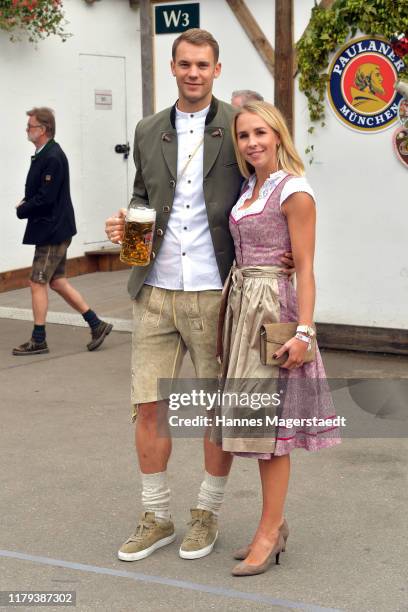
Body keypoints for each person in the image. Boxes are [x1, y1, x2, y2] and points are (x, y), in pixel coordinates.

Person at [105, 28, 295, 563]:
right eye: (185, 63)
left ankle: (206, 513)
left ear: (216, 69)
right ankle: (157, 515)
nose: (193, 72)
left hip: (217, 292)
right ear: (172, 67)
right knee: (149, 407)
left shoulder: (236, 129)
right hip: (154, 290)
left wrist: (283, 250)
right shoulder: (147, 129)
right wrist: (128, 227)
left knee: (215, 411)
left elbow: (272, 180)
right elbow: (144, 195)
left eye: (203, 65)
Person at [212, 101, 341, 576]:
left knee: (271, 433)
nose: (252, 143)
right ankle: (272, 525)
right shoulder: (251, 186)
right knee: (254, 425)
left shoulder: (295, 191)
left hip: (274, 313)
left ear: (278, 134)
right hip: (243, 304)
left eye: (260, 133)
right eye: (244, 136)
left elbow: (305, 268)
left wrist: (305, 332)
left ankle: (270, 532)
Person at [13, 107, 113, 356]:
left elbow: (46, 198)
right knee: (56, 282)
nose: (27, 130)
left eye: (30, 126)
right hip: (54, 228)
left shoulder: (53, 157)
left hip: (52, 230)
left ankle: (39, 339)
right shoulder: (43, 154)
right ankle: (96, 324)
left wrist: (23, 208)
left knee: (37, 282)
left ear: (43, 129)